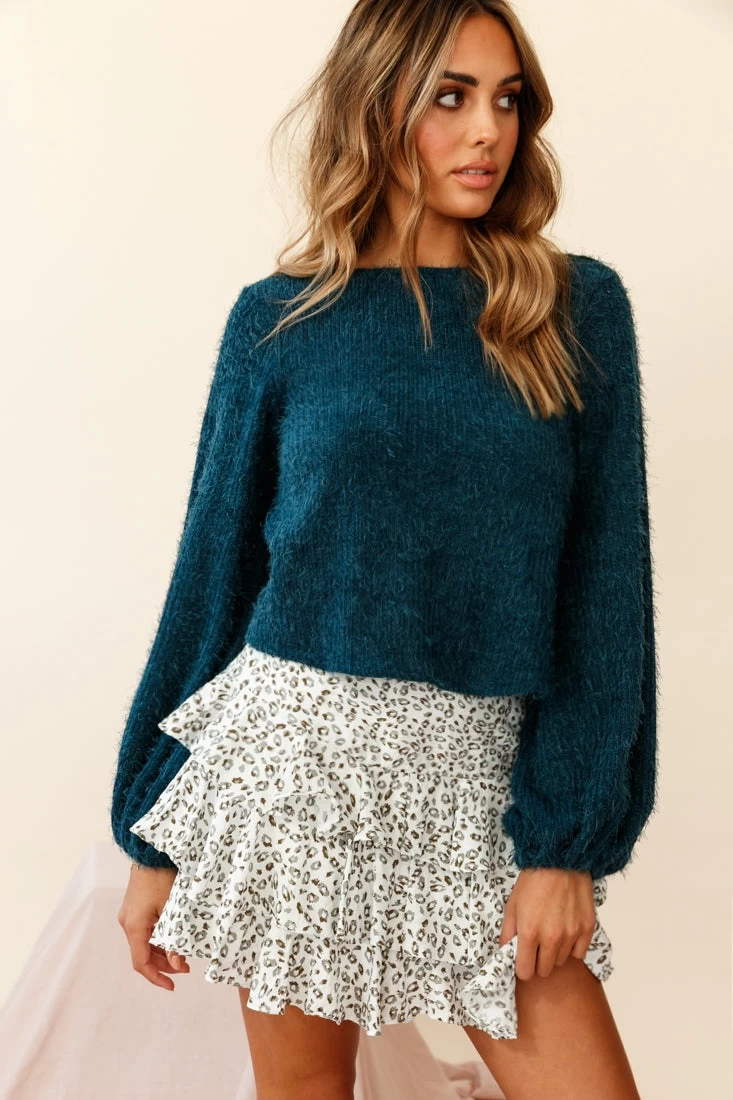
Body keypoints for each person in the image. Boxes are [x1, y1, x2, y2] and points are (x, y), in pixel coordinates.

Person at [111, 2, 658, 1097]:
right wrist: (152, 829)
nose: (488, 130)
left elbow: (605, 591)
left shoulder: (570, 306)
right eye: (450, 97)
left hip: (484, 785)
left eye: (506, 100)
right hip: (296, 773)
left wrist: (564, 843)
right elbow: (214, 580)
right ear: (375, 107)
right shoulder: (279, 321)